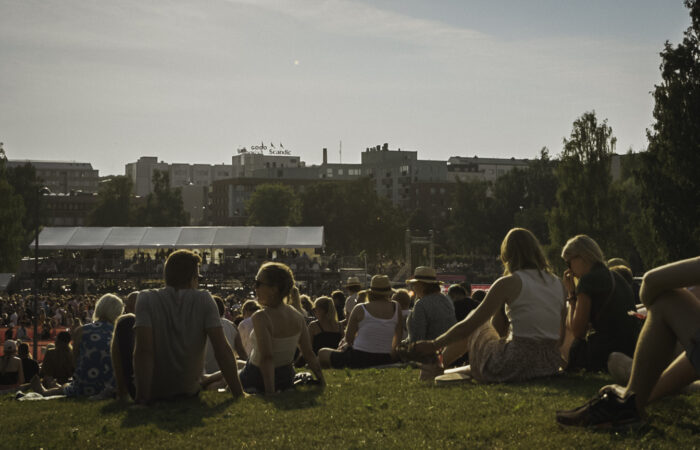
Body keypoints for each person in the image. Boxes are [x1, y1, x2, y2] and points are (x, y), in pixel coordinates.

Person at [556, 256, 700, 428]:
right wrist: (637, 396)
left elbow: (652, 281)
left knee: (664, 300)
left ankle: (629, 404)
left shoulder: (589, 282)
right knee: (666, 303)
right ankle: (630, 404)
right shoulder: (612, 279)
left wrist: (651, 304)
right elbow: (695, 352)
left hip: (601, 350)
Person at [411, 228, 566, 383]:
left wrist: (434, 344)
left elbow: (469, 326)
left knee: (474, 318)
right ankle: (444, 370)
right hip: (548, 364)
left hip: (517, 362)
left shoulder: (509, 283)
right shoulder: (558, 283)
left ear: (507, 255)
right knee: (488, 343)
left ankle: (436, 365)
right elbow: (560, 336)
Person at [133, 250, 245, 404]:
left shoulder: (145, 298)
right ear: (193, 278)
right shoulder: (204, 299)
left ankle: (123, 392)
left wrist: (142, 398)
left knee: (124, 322)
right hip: (189, 390)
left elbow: (144, 350)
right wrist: (239, 394)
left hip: (154, 391)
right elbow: (222, 349)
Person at [236, 262, 324, 394]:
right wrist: (322, 381)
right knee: (235, 367)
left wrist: (270, 393)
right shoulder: (297, 316)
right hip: (286, 377)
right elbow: (308, 353)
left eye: (258, 283)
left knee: (226, 378)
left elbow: (267, 358)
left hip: (255, 376)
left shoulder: (261, 317)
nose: (255, 288)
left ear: (274, 289)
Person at [561, 235, 640, 371]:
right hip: (632, 349)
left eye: (569, 263)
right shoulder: (617, 277)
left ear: (581, 257)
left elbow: (577, 331)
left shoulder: (587, 281)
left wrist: (571, 295)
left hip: (607, 352)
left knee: (564, 331)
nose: (570, 270)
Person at [30, 294, 124, 397]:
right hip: (113, 385)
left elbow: (75, 362)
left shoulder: (81, 330)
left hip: (84, 386)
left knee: (66, 386)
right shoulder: (119, 331)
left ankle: (46, 392)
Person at [318, 275, 403, 369]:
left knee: (322, 353)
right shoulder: (396, 307)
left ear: (371, 292)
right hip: (385, 357)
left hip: (359, 357)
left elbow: (349, 338)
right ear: (388, 292)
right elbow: (398, 337)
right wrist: (391, 357)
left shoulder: (360, 308)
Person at [406, 266, 456, 342]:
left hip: (430, 351)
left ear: (421, 285)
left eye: (414, 284)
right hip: (448, 349)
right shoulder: (447, 299)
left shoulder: (421, 305)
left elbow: (417, 338)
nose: (413, 288)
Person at [204, 296, 247, 374]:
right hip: (226, 373)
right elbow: (241, 352)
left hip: (205, 372)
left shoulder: (200, 326)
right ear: (223, 310)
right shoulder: (232, 326)